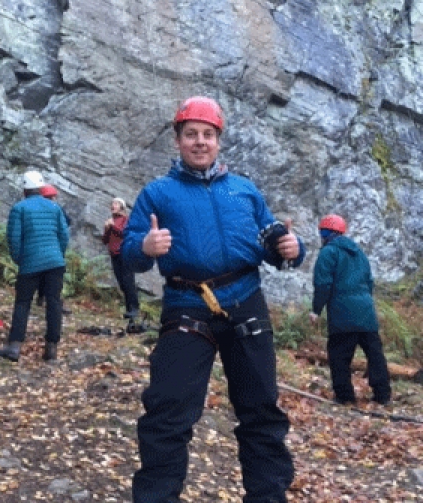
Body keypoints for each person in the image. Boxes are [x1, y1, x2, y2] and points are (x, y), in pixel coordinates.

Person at [121, 96, 306, 503]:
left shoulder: (244, 190)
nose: (200, 142)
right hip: (186, 305)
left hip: (245, 301)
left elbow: (272, 237)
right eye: (191, 135)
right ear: (178, 140)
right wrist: (146, 246)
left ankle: (268, 497)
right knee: (167, 412)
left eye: (208, 134)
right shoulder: (157, 194)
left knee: (261, 411)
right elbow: (130, 248)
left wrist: (292, 247)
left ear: (219, 140)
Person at [309, 214, 391, 405]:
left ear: (325, 232)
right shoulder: (359, 253)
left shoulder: (328, 252)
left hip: (342, 314)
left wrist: (316, 310)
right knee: (375, 355)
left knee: (339, 356)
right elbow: (369, 282)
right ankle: (383, 395)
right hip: (367, 312)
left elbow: (323, 284)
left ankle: (345, 397)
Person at [0, 170, 69, 362]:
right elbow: (64, 235)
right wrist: (58, 254)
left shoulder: (19, 209)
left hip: (30, 263)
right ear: (41, 187)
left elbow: (13, 238)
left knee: (22, 303)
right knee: (54, 303)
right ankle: (51, 349)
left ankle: (14, 347)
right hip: (55, 263)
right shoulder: (54, 208)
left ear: (24, 189)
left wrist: (20, 259)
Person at [36, 184, 72, 314]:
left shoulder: (38, 208)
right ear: (54, 196)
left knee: (41, 271)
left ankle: (40, 297)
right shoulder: (57, 209)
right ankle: (53, 300)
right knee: (54, 275)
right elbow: (67, 222)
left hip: (40, 245)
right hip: (54, 245)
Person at [103, 197, 140, 319]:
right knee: (122, 283)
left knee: (128, 281)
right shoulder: (111, 221)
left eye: (116, 203)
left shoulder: (126, 219)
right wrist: (107, 229)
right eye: (112, 203)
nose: (113, 205)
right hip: (114, 254)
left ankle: (134, 308)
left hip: (125, 253)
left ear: (122, 207)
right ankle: (129, 309)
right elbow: (105, 240)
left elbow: (125, 233)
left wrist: (112, 226)